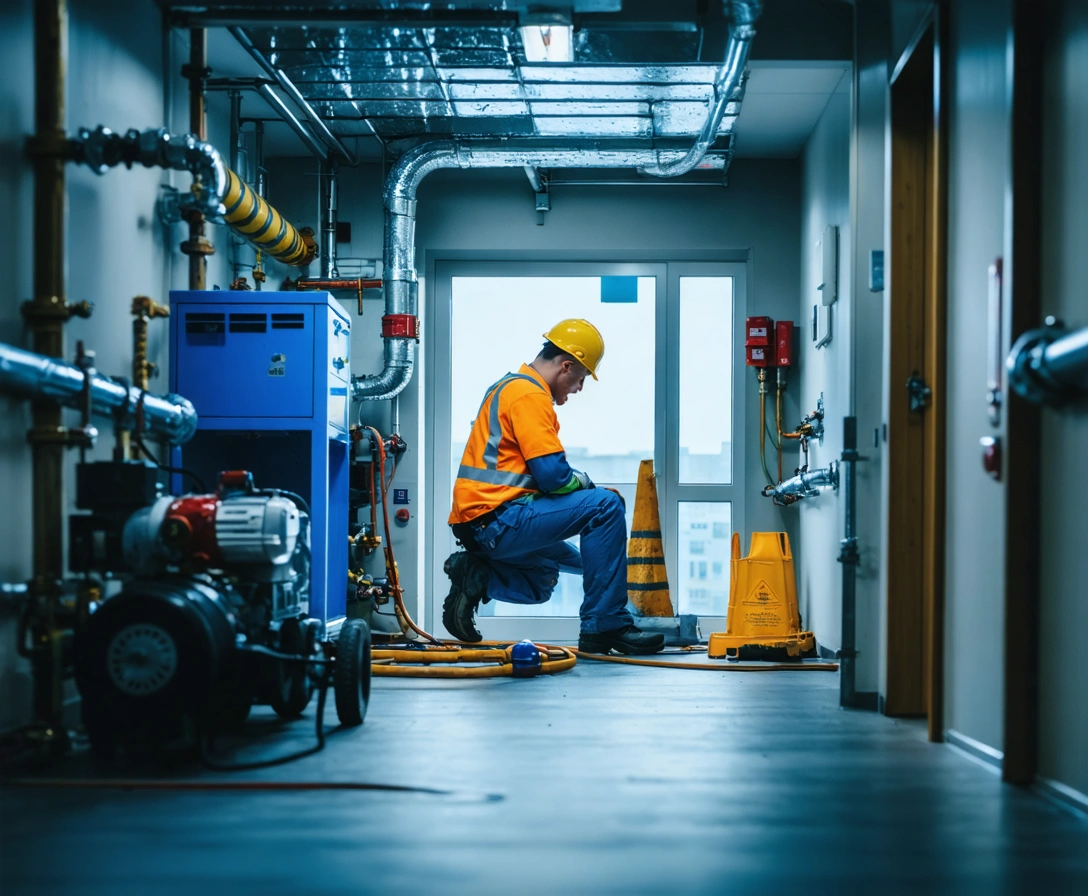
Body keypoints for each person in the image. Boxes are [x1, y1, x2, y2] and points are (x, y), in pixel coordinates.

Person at [443, 318, 665, 656]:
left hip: (482, 524)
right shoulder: (529, 395)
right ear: (566, 366)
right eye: (580, 379)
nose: (578, 389)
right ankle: (606, 625)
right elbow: (553, 476)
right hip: (499, 520)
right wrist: (590, 486)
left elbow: (533, 476)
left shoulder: (507, 387)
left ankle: (477, 576)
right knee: (605, 506)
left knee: (542, 582)